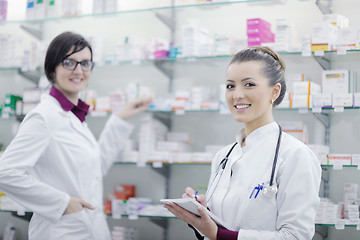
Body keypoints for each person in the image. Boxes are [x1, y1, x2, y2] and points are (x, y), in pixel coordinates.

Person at [0, 31, 152, 240]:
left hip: (89, 228)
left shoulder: (72, 117)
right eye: (69, 62)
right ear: (52, 68)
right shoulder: (44, 117)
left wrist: (121, 118)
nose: (79, 70)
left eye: (86, 63)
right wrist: (62, 203)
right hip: (61, 231)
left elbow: (96, 167)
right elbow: (5, 173)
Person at [164, 46, 321, 240]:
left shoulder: (295, 155)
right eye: (230, 86)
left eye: (249, 85)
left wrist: (218, 234)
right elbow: (219, 229)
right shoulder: (224, 156)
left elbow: (296, 237)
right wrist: (201, 217)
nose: (237, 95)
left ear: (274, 92)